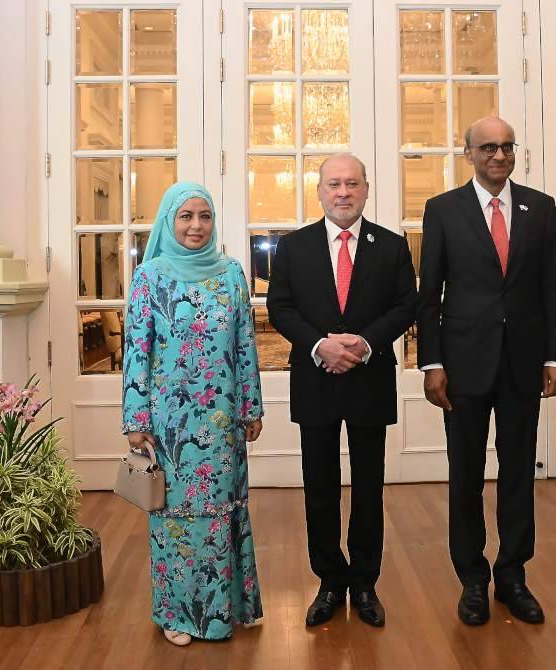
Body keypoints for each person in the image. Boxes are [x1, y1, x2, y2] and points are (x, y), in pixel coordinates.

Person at [416, 117, 556, 626]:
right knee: (465, 475)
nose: (499, 156)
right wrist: (432, 362)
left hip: (523, 363)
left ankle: (513, 575)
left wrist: (555, 356)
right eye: (487, 148)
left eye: (506, 147)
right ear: (469, 154)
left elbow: (550, 287)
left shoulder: (540, 208)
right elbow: (429, 295)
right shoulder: (443, 210)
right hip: (463, 366)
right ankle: (472, 579)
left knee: (519, 472)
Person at [266, 154, 417, 628]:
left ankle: (365, 583)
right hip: (316, 379)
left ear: (366, 189)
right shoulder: (294, 247)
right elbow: (280, 307)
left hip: (370, 379)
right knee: (320, 487)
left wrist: (365, 343)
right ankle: (329, 581)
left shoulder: (391, 246)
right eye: (334, 184)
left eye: (352, 183)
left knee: (369, 487)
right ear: (319, 192)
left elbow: (406, 305)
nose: (343, 192)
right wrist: (320, 346)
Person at [122, 182, 264, 646]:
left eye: (204, 216)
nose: (196, 226)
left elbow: (244, 344)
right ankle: (179, 615)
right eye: (185, 216)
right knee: (176, 516)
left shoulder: (231, 273)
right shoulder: (150, 277)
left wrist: (251, 406)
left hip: (223, 419)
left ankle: (225, 610)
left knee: (221, 511)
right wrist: (136, 419)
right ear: (169, 221)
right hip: (170, 423)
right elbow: (136, 350)